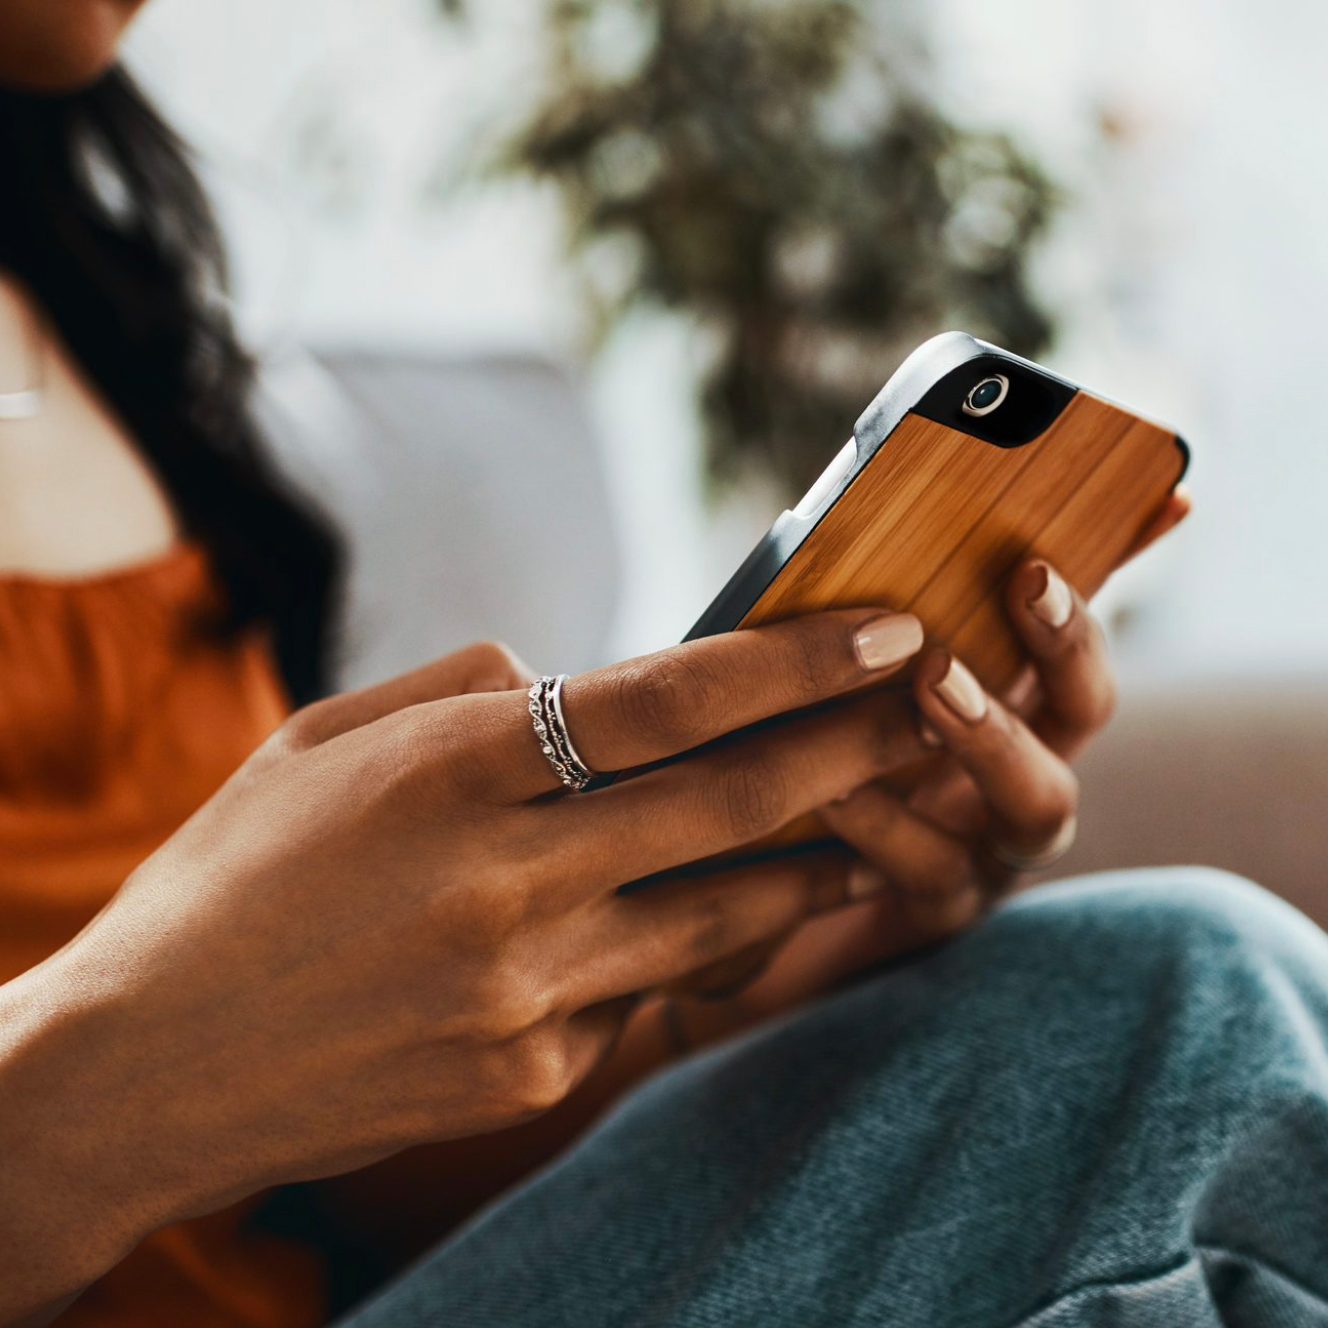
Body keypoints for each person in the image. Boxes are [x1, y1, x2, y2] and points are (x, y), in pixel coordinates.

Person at [2, 5, 1325, 1327]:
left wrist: (750, 956)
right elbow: (157, 1103)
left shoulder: (75, 290)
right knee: (1188, 994)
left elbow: (295, 1192)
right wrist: (99, 1087)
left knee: (1124, 1015)